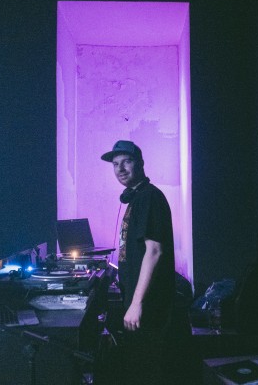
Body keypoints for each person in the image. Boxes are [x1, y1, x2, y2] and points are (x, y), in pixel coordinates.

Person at [100, 140, 177, 384]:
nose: (120, 169)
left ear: (140, 164)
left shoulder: (148, 198)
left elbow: (154, 251)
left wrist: (136, 303)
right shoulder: (136, 198)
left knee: (147, 369)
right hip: (139, 300)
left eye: (127, 162)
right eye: (115, 164)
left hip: (148, 304)